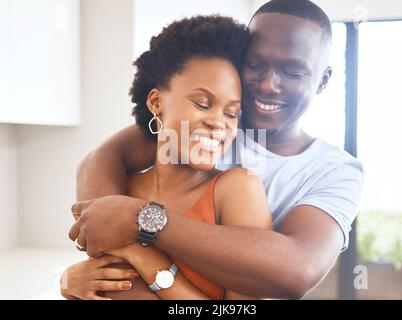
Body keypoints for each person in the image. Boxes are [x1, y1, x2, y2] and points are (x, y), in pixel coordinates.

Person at [68, 0, 364, 299]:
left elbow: (298, 268)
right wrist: (99, 262)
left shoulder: (334, 171)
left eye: (292, 71)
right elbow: (103, 159)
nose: (268, 84)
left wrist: (140, 220)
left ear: (323, 80)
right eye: (256, 64)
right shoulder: (200, 129)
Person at [61, 15, 273, 300]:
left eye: (231, 113)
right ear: (156, 103)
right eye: (202, 103)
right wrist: (70, 284)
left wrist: (149, 263)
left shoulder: (236, 189)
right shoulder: (116, 191)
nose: (218, 122)